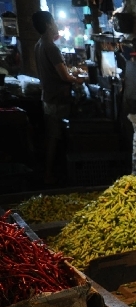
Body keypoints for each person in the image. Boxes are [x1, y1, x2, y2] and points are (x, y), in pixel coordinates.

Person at [32, 11, 84, 185]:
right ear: (48, 24)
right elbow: (64, 76)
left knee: (51, 136)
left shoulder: (38, 45)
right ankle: (49, 175)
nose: (55, 24)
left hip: (47, 97)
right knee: (54, 138)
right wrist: (77, 79)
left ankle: (53, 172)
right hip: (57, 99)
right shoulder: (51, 47)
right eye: (53, 21)